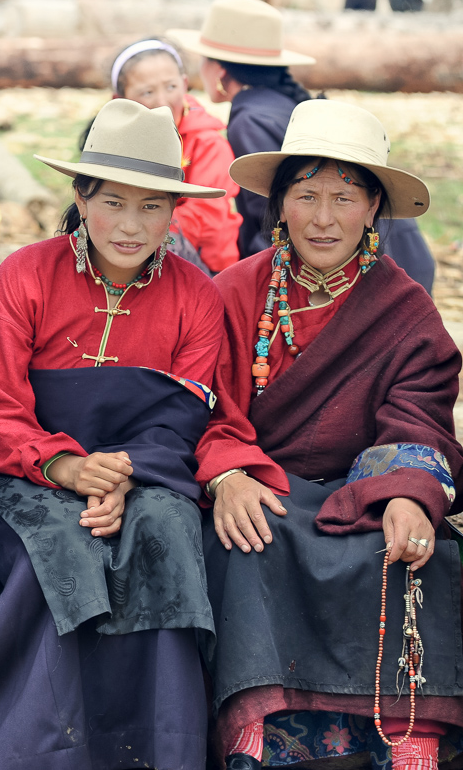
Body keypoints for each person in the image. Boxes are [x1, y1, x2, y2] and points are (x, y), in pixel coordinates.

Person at [0, 99, 228, 770]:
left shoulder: (196, 295)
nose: (131, 226)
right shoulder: (26, 275)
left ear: (175, 211)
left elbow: (185, 414)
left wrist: (122, 473)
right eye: (114, 202)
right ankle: (34, 750)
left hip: (146, 475)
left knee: (167, 536)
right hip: (22, 476)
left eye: (153, 207)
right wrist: (64, 467)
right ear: (79, 194)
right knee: (62, 550)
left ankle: (161, 749)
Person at [196, 99, 463, 770]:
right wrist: (228, 473)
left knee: (421, 550)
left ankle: (408, 734)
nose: (323, 218)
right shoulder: (232, 294)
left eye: (343, 198)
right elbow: (204, 404)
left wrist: (405, 491)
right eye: (306, 195)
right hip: (263, 486)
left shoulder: (403, 306)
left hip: (358, 493)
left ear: (374, 207)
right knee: (247, 538)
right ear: (278, 203)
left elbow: (420, 409)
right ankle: (261, 728)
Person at [168, 0, 437, 292]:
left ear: (218, 70)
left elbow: (270, 222)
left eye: (203, 57)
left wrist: (254, 288)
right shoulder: (281, 103)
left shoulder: (250, 121)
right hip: (398, 255)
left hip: (366, 274)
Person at [107, 38, 241, 272]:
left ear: (185, 84)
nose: (162, 102)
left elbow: (205, 214)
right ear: (120, 100)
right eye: (147, 92)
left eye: (171, 87)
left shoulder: (207, 143)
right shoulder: (112, 141)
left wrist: (143, 227)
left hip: (202, 263)